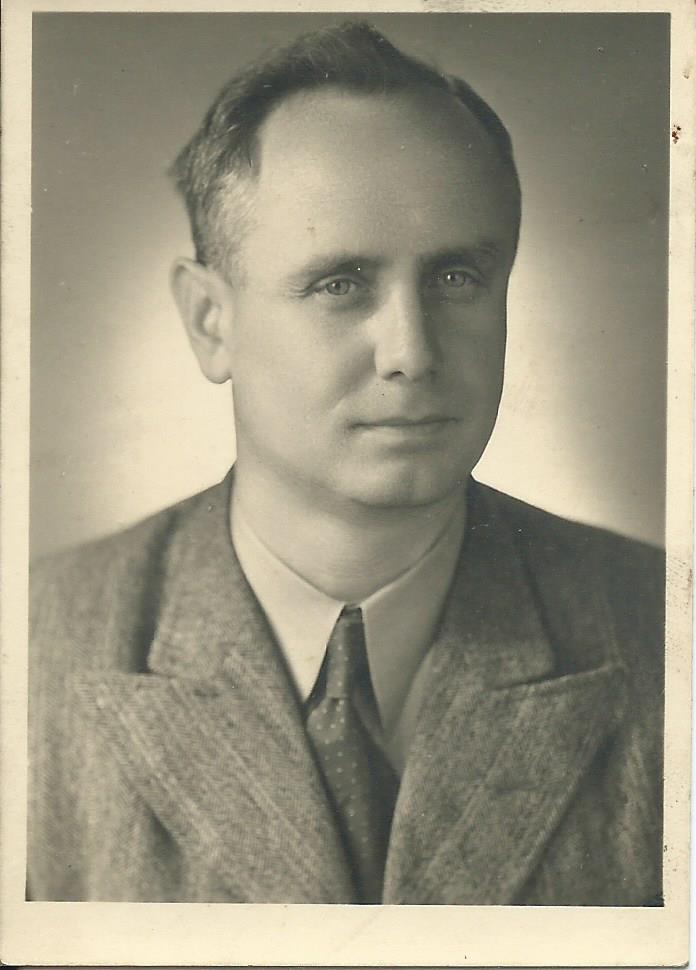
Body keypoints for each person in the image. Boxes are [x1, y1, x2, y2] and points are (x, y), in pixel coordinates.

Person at [28, 21, 664, 905]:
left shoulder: (665, 632)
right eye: (340, 284)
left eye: (456, 279)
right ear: (211, 322)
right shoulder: (33, 648)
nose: (412, 352)